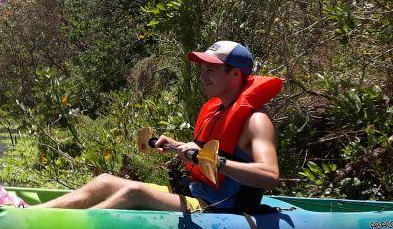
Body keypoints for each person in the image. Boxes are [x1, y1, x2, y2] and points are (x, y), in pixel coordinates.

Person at [37, 41, 281, 212]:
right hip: (196, 193)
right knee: (103, 180)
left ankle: (71, 228)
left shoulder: (256, 120)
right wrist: (177, 146)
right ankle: (32, 213)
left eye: (212, 70)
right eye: (203, 69)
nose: (203, 76)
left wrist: (215, 162)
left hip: (221, 206)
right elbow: (203, 155)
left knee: (134, 192)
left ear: (236, 74)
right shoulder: (217, 110)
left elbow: (269, 176)